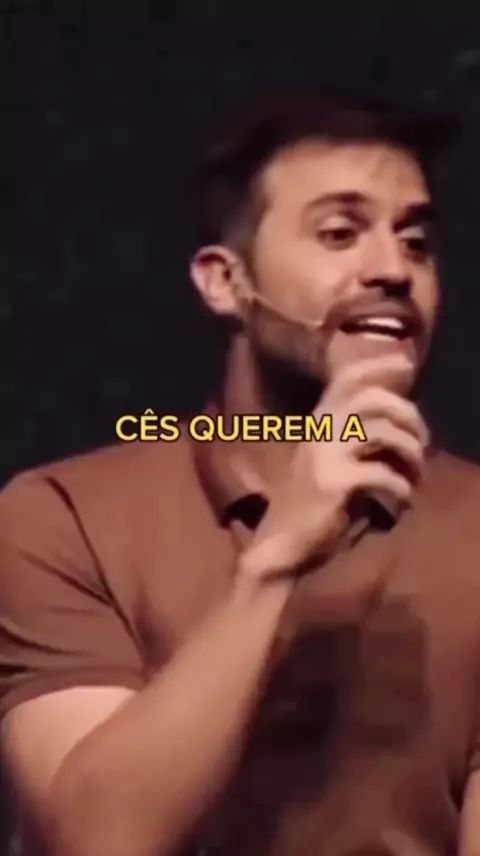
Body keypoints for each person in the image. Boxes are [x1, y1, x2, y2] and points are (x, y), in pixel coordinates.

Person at [1, 91, 480, 856]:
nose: (394, 269)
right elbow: (97, 841)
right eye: (339, 233)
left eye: (416, 242)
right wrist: (274, 562)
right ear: (225, 281)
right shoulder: (61, 517)